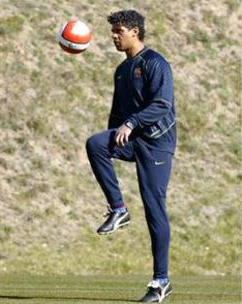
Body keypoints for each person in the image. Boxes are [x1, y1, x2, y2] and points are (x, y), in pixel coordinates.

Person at [85, 10, 177, 303]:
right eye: (112, 31)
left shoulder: (155, 63)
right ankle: (118, 209)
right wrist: (118, 129)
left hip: (157, 145)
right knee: (96, 144)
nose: (114, 36)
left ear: (135, 31)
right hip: (132, 138)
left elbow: (162, 104)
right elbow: (117, 113)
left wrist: (132, 123)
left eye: (119, 31)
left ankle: (160, 282)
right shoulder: (122, 70)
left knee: (154, 209)